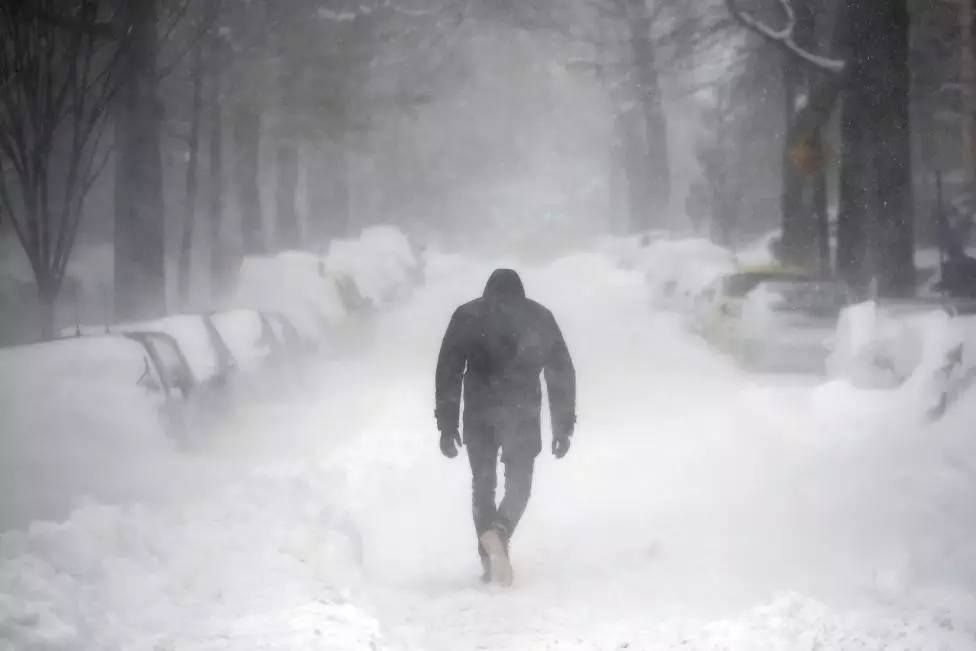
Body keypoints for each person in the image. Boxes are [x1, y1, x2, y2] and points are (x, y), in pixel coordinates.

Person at [435, 268, 576, 586]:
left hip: (479, 413)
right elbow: (560, 373)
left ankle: (489, 555)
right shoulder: (539, 318)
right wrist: (562, 426)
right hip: (521, 412)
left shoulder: (468, 316)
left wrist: (447, 424)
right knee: (519, 485)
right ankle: (501, 530)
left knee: (482, 485)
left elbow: (449, 371)